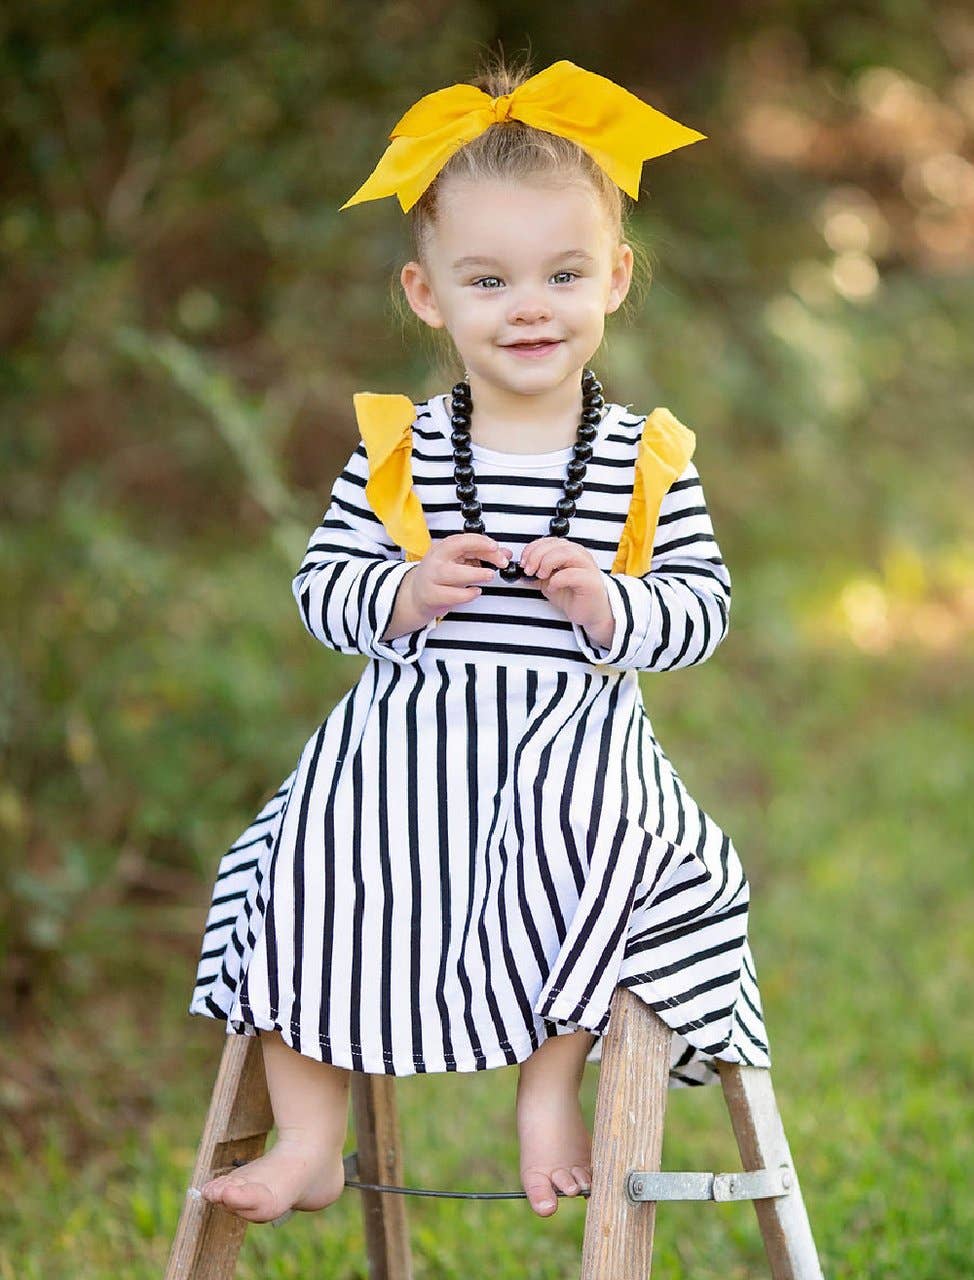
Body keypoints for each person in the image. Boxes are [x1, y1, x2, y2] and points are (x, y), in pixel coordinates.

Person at [188, 53, 772, 1228]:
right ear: (426, 294)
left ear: (612, 277)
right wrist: (398, 592)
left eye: (562, 273)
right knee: (307, 861)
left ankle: (547, 1090)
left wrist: (615, 604)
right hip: (403, 751)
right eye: (488, 278)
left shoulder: (641, 459)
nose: (528, 306)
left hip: (573, 749)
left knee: (609, 860)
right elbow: (320, 588)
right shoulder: (398, 451)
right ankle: (308, 1136)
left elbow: (701, 605)